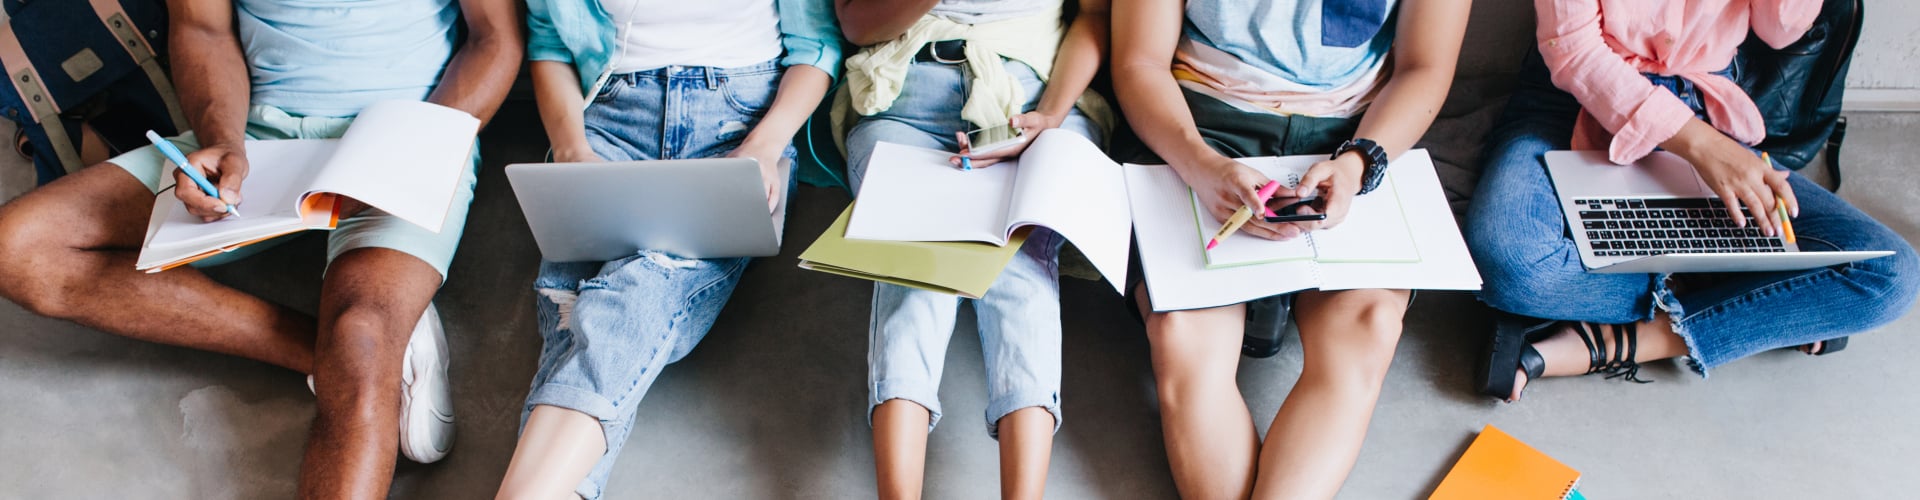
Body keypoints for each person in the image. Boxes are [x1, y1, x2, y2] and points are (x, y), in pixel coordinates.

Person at [0, 0, 518, 497]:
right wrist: (224, 140)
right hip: (258, 130)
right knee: (16, 247)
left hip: (412, 135)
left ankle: (364, 357)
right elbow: (202, 28)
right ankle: (341, 355)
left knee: (362, 335)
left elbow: (494, 38)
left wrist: (406, 156)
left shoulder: (415, 139)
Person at [1466, 0, 1920, 402]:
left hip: (1705, 102)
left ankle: (1627, 341)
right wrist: (1702, 147)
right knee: (1513, 266)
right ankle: (1764, 308)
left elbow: (1782, 29)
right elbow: (1572, 50)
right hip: (1569, 101)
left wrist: (1709, 143)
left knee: (1889, 274)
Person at [1110, 0, 1469, 497]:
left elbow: (1425, 67)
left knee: (1369, 327)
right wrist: (1200, 165)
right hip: (1195, 120)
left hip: (1355, 132)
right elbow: (1138, 61)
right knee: (1185, 335)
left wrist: (1358, 163)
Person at [490, 0, 841, 498]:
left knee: (638, 290)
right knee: (568, 307)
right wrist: (572, 151)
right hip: (607, 121)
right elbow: (549, 41)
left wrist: (763, 147)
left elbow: (817, 47)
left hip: (737, 123)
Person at [833, 0, 1113, 497]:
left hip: (1034, 95)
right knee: (916, 275)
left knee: (1021, 270)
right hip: (905, 96)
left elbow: (1094, 15)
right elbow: (856, 24)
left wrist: (1049, 115)